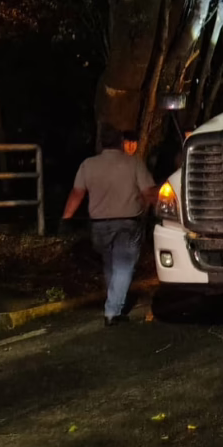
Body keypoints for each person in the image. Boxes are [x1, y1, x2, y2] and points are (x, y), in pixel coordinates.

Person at [62, 125, 159, 326]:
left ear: (102, 143)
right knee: (123, 267)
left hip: (99, 226)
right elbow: (149, 192)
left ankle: (113, 303)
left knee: (110, 264)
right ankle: (113, 311)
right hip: (127, 224)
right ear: (120, 142)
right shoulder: (133, 164)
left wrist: (66, 218)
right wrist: (162, 209)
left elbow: (77, 193)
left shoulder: (88, 165)